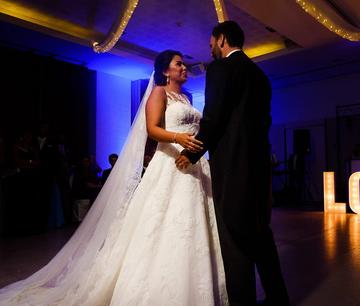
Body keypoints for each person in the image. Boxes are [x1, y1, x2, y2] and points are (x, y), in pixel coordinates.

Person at [0, 50, 227, 305]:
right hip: (170, 163)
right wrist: (178, 138)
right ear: (165, 70)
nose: (184, 67)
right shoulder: (158, 93)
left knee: (194, 220)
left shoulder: (186, 97)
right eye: (179, 64)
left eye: (183, 64)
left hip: (194, 167)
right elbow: (152, 129)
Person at [177, 20, 290, 306]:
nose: (210, 47)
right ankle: (278, 298)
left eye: (212, 41)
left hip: (232, 166)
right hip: (259, 166)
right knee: (261, 234)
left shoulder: (221, 69)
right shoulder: (260, 75)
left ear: (222, 39)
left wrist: (191, 154)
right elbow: (264, 121)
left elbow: (214, 117)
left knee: (234, 237)